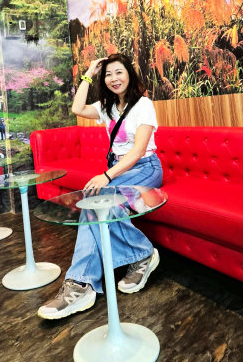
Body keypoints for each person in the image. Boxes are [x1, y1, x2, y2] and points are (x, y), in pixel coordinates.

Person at [38, 53, 163, 320]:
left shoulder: (143, 105)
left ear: (129, 75)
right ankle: (84, 282)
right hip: (120, 169)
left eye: (119, 72)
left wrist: (106, 176)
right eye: (108, 74)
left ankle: (90, 280)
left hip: (145, 168)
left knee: (97, 199)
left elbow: (138, 151)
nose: (113, 78)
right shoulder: (107, 107)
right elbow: (77, 109)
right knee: (94, 204)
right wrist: (89, 72)